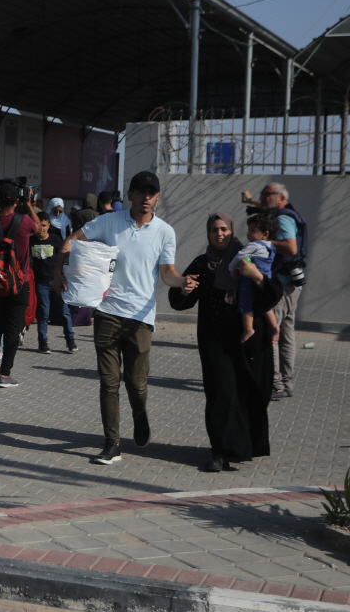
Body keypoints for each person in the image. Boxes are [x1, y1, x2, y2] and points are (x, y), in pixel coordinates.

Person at [56, 171, 191, 465]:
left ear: (157, 197)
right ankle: (112, 442)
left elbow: (167, 272)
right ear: (129, 195)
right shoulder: (108, 222)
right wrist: (60, 271)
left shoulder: (165, 232)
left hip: (141, 317)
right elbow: (71, 242)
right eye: (140, 192)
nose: (146, 197)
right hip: (107, 313)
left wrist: (182, 282)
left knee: (137, 383)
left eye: (151, 193)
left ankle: (140, 415)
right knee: (109, 382)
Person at [168, 212, 280, 472]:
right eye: (214, 230)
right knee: (222, 394)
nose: (219, 234)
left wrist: (255, 275)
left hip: (250, 339)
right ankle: (220, 451)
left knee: (253, 392)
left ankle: (244, 447)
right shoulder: (201, 264)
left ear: (231, 231)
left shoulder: (250, 256)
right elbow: (180, 300)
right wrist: (183, 289)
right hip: (216, 340)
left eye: (223, 230)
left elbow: (272, 296)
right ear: (208, 234)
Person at [244, 182, 304, 401]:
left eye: (265, 194)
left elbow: (291, 247)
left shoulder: (284, 218)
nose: (262, 197)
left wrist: (265, 243)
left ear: (280, 198)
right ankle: (286, 383)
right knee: (287, 333)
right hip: (290, 284)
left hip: (281, 285)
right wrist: (251, 200)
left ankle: (275, 383)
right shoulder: (285, 211)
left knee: (274, 333)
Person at [0, 184, 37, 388]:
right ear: (16, 201)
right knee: (13, 330)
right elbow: (38, 229)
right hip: (18, 283)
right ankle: (5, 375)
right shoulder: (24, 222)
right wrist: (28, 204)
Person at [30, 211, 76, 354]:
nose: (41, 229)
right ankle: (42, 341)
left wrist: (63, 276)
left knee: (64, 311)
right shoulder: (31, 241)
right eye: (38, 225)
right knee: (43, 312)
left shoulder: (55, 240)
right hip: (41, 283)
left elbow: (64, 258)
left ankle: (70, 339)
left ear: (48, 225)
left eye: (44, 225)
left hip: (56, 282)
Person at [229, 212, 279, 344]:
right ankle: (274, 327)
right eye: (248, 230)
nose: (249, 233)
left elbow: (239, 256)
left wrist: (231, 269)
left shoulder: (254, 245)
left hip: (249, 280)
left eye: (253, 230)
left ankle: (248, 329)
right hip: (265, 278)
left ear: (265, 234)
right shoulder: (271, 246)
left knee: (245, 303)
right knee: (265, 306)